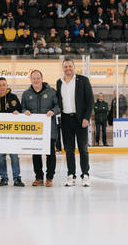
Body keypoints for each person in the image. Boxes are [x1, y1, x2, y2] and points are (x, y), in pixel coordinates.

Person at [56, 59, 94, 187]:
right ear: (63, 68)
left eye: (70, 66)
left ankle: (85, 175)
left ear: (74, 67)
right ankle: (71, 175)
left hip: (80, 119)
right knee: (69, 149)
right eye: (65, 66)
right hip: (66, 120)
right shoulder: (59, 82)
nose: (68, 68)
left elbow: (90, 101)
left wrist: (86, 118)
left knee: (83, 149)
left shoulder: (83, 80)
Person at [21, 70, 60, 187]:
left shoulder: (52, 92)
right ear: (31, 80)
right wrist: (25, 112)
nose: (36, 80)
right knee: (36, 154)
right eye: (34, 78)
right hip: (34, 131)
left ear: (42, 79)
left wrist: (53, 111)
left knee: (50, 154)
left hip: (49, 129)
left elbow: (58, 106)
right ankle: (38, 177)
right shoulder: (26, 94)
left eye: (38, 78)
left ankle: (49, 178)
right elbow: (22, 108)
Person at [0, 77, 25, 187]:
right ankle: (3, 178)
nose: (2, 87)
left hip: (12, 133)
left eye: (3, 85)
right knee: (1, 156)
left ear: (7, 85)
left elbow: (20, 110)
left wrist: (17, 112)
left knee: (14, 156)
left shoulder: (13, 97)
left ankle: (17, 178)